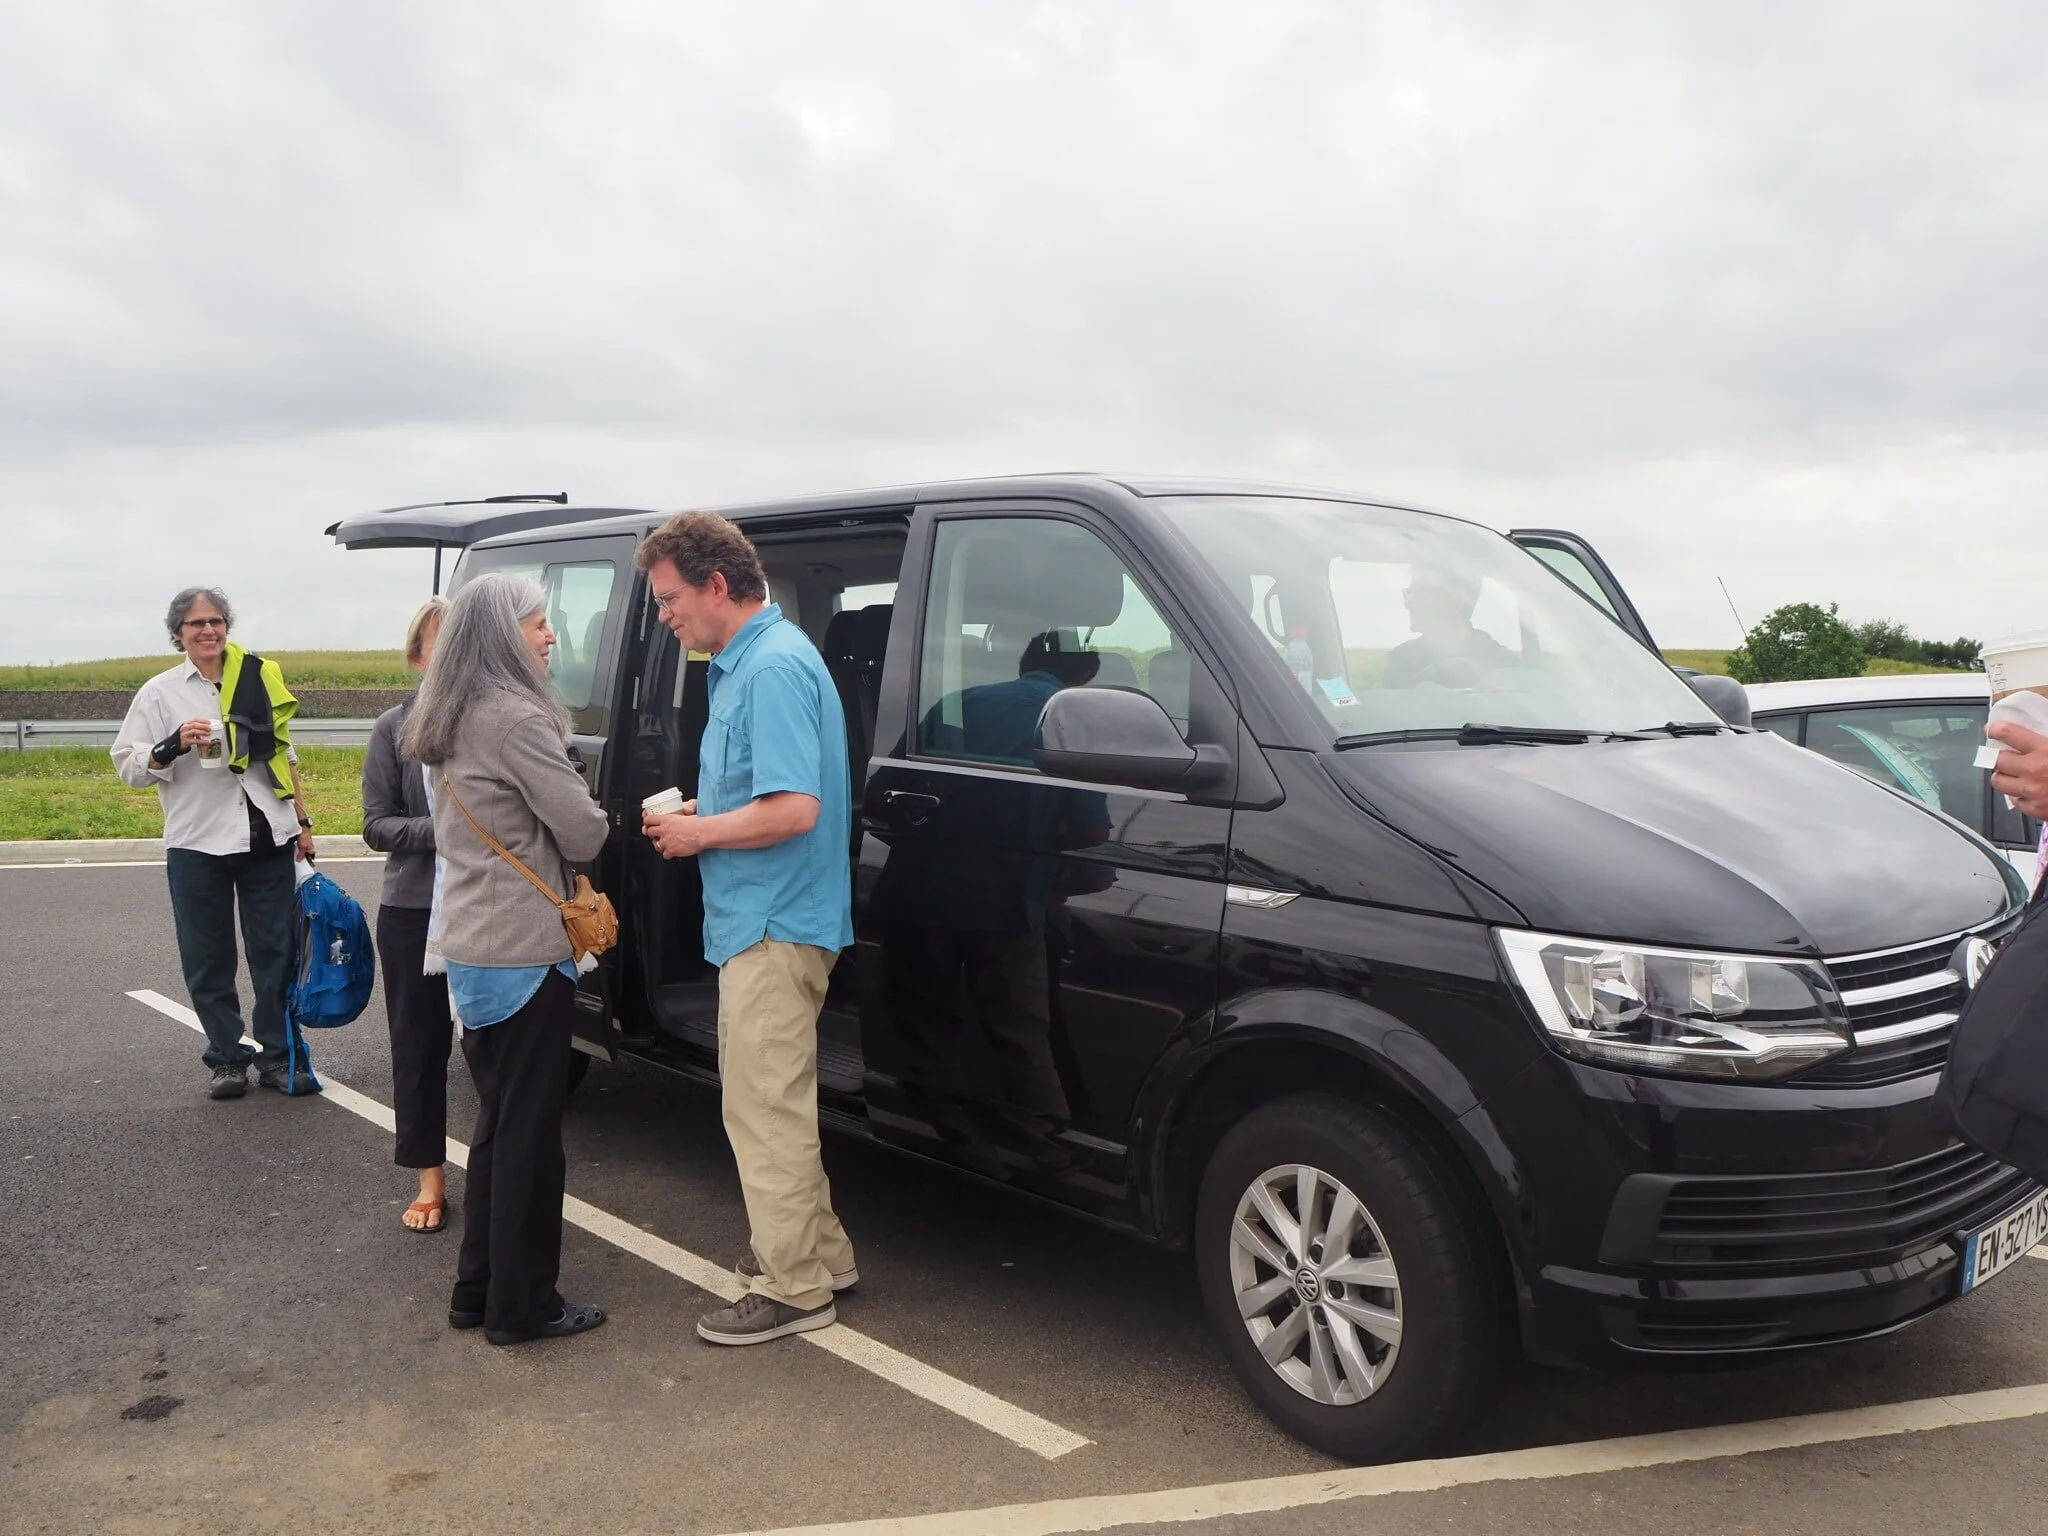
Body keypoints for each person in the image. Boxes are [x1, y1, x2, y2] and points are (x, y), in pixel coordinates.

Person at [638, 511, 858, 1346]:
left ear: (717, 585)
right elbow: (771, 795)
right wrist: (710, 811)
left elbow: (796, 809)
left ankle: (797, 1288)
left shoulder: (766, 670)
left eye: (669, 599)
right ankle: (822, 1257)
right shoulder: (755, 661)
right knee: (776, 1104)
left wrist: (697, 833)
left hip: (773, 920)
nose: (665, 618)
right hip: (765, 918)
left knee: (764, 1110)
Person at [402, 573, 609, 1346]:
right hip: (526, 950)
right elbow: (583, 834)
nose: (550, 635)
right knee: (529, 1136)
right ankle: (524, 1307)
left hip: (471, 947)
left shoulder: (445, 714)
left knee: (496, 1125)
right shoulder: (518, 719)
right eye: (538, 624)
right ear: (502, 635)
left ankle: (477, 1290)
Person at [111, 587, 319, 1099]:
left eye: (216, 620)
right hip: (197, 840)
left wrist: (303, 820)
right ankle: (227, 1059)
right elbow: (129, 767)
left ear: (228, 625)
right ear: (177, 633)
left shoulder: (257, 675)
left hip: (266, 833)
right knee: (208, 955)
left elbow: (285, 753)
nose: (208, 630)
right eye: (195, 623)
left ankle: (279, 1056)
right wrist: (173, 744)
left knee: (276, 950)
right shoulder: (159, 692)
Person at [362, 596, 454, 1232]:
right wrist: (444, 831)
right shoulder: (393, 729)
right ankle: (431, 1179)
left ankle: (507, 1172)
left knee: (496, 1051)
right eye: (434, 645)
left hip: (486, 912)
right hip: (413, 911)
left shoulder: (499, 724)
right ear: (417, 657)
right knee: (419, 1051)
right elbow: (375, 825)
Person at [1380, 565, 1516, 689]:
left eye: (1421, 592)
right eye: (1408, 593)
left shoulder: (1501, 662)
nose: (1408, 602)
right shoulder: (1402, 659)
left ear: (1459, 598)